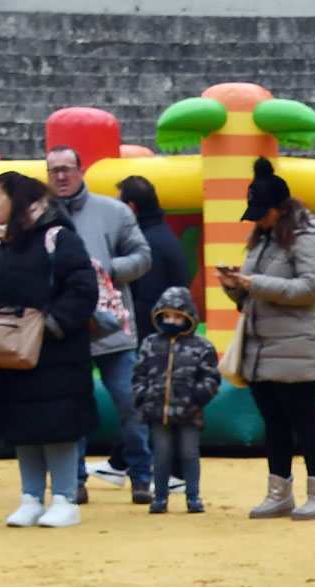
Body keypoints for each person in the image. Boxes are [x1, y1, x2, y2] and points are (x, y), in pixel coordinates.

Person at [0, 170, 98, 528]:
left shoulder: (58, 238)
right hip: (11, 354)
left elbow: (82, 290)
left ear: (15, 201)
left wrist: (49, 327)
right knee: (22, 425)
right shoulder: (4, 243)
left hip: (55, 354)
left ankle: (65, 498)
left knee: (56, 424)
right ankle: (30, 497)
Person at [219, 158, 315, 520]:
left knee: (304, 421)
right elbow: (256, 293)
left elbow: (313, 288)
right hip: (261, 346)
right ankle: (279, 492)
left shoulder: (307, 237)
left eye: (262, 212)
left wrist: (255, 284)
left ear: (281, 209)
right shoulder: (264, 239)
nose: (257, 219)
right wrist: (235, 287)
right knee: (275, 423)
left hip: (296, 346)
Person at [46, 145, 153, 502]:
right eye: (54, 170)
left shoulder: (114, 211)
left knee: (129, 401)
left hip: (114, 328)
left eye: (66, 168)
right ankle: (73, 480)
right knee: (68, 406)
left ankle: (141, 473)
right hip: (66, 327)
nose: (60, 176)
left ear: (81, 170)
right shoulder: (40, 216)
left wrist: (108, 269)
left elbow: (143, 257)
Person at [131, 285, 220, 514]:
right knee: (161, 454)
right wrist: (143, 397)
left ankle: (193, 497)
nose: (171, 321)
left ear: (188, 318)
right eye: (167, 316)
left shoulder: (202, 346)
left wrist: (197, 398)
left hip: (190, 413)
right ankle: (160, 497)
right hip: (158, 412)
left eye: (177, 317)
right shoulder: (150, 344)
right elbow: (138, 374)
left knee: (189, 454)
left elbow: (211, 377)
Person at [115, 175, 195, 348]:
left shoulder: (148, 245)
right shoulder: (161, 233)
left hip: (156, 339)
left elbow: (147, 300)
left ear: (131, 208)